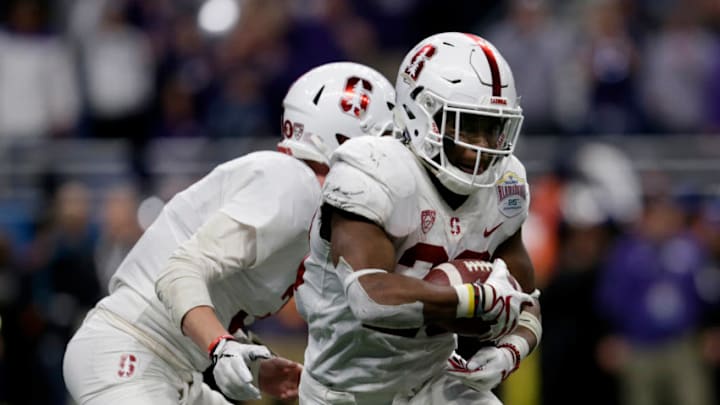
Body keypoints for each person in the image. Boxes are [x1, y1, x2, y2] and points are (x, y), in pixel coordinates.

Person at [62, 61, 396, 405]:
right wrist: (221, 348)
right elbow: (179, 273)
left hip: (174, 370)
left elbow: (211, 292)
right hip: (130, 352)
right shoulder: (293, 184)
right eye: (383, 142)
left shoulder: (307, 197)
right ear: (344, 139)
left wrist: (253, 365)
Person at [295, 32, 542, 404]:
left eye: (493, 129)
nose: (486, 146)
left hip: (433, 379)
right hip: (345, 390)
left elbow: (525, 300)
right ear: (421, 115)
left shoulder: (506, 182)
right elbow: (370, 296)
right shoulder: (373, 168)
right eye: (469, 125)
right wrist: (471, 299)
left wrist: (511, 352)